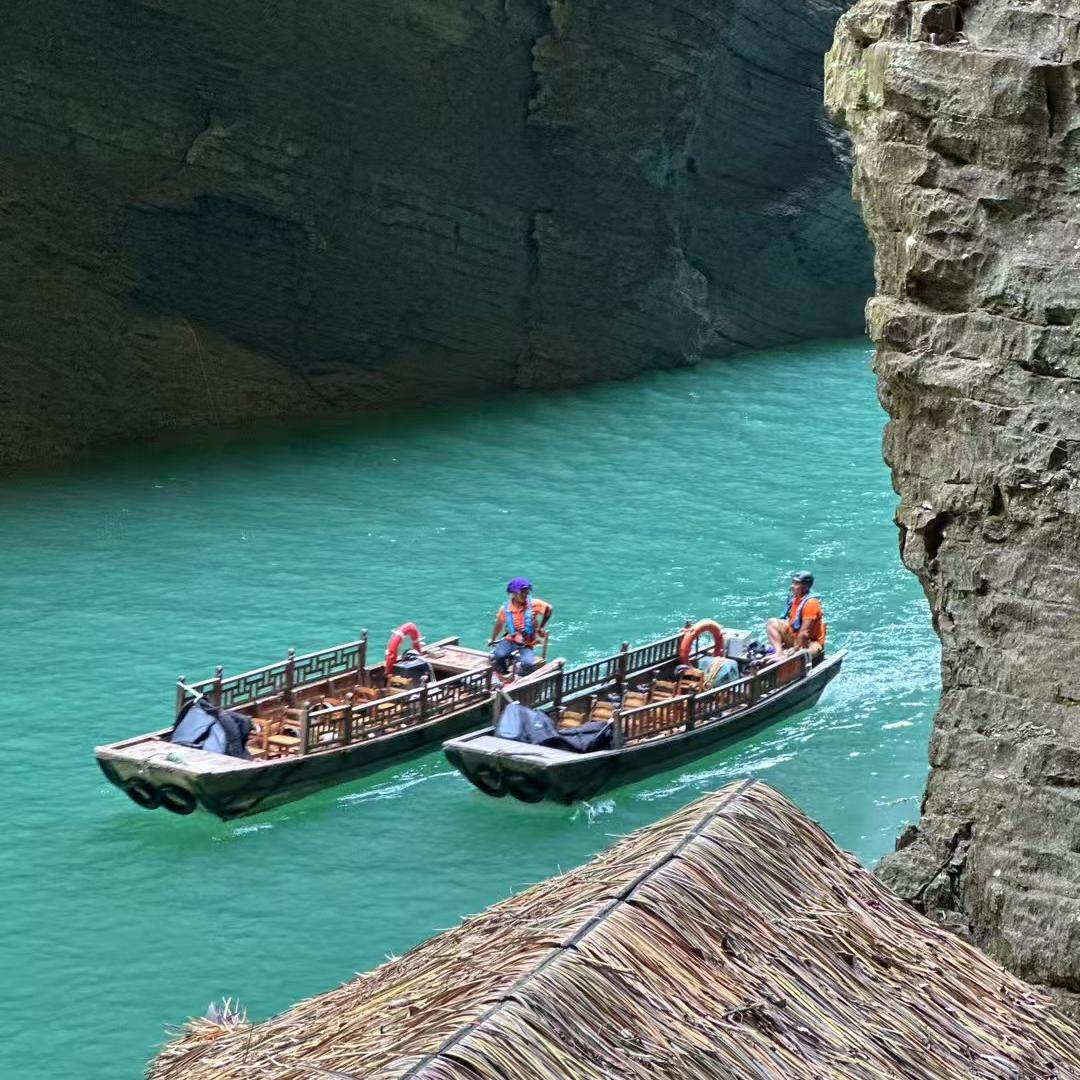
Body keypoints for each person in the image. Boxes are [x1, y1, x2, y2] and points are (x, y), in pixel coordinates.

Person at [489, 577, 552, 678]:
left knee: (527, 664)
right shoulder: (505, 609)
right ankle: (505, 672)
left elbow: (549, 609)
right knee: (498, 655)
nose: (524, 595)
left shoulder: (534, 604)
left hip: (527, 642)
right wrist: (493, 639)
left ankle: (521, 677)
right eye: (522, 593)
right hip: (511, 639)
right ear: (513, 593)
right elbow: (499, 625)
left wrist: (541, 627)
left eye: (526, 593)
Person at [766, 570, 826, 659]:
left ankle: (790, 658)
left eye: (796, 584)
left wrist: (795, 649)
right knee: (772, 623)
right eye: (793, 583)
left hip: (811, 642)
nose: (792, 586)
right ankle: (779, 653)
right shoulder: (795, 598)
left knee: (802, 653)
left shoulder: (811, 603)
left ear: (805, 587)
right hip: (795, 635)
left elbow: (805, 632)